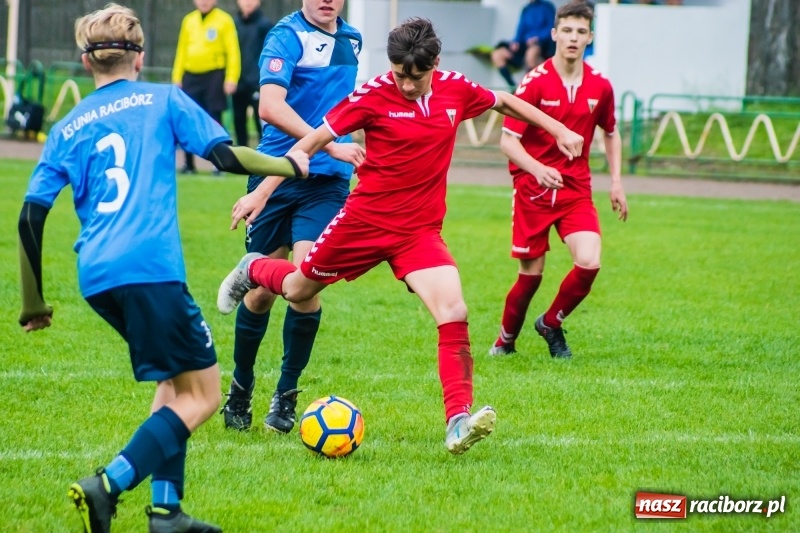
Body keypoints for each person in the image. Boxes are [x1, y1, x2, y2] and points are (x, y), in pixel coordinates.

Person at [217, 17, 584, 455]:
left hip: (418, 233)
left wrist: (558, 128)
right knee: (296, 288)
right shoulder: (372, 95)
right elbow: (308, 144)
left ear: (435, 64)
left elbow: (503, 100)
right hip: (362, 224)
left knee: (454, 309)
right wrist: (263, 189)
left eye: (417, 76)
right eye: (399, 75)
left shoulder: (455, 89)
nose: (407, 85)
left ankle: (458, 421)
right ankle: (254, 268)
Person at [17, 5, 308, 532]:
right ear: (140, 57)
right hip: (149, 268)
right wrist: (287, 165)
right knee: (204, 395)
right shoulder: (163, 100)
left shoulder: (66, 127)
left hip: (97, 275)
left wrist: (33, 302)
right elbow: (227, 156)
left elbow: (30, 216)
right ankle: (107, 485)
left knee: (174, 387)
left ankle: (166, 512)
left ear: (86, 62)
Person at [218, 0, 364, 434]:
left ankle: (285, 394)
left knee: (305, 283)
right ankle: (241, 386)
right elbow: (270, 107)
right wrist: (329, 142)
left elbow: (348, 109)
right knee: (262, 294)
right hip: (276, 172)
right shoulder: (285, 36)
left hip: (327, 184)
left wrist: (350, 151)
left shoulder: (352, 39)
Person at [488, 0, 628, 360]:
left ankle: (550, 323)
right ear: (554, 34)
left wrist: (616, 181)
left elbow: (611, 132)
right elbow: (508, 142)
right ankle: (505, 342)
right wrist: (537, 169)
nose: (573, 38)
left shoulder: (601, 85)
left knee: (589, 261)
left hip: (575, 190)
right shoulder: (534, 82)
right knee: (531, 275)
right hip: (532, 190)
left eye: (581, 31)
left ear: (590, 37)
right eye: (567, 30)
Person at [173, 0, 241, 174]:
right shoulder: (188, 20)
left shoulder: (224, 20)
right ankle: (189, 164)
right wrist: (177, 76)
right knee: (188, 117)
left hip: (214, 76)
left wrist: (231, 78)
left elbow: (233, 52)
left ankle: (218, 164)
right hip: (190, 76)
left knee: (214, 118)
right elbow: (181, 50)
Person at [232, 0, 272, 147]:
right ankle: (242, 157)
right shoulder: (233, 24)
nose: (248, 2)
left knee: (261, 122)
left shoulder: (265, 25)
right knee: (239, 121)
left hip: (258, 83)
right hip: (238, 82)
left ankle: (264, 155)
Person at [491, 0, 556, 89]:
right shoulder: (526, 9)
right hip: (524, 45)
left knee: (531, 53)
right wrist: (516, 41)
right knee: (497, 54)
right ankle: (513, 87)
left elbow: (551, 28)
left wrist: (537, 38)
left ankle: (528, 88)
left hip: (541, 45)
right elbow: (520, 29)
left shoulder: (547, 7)